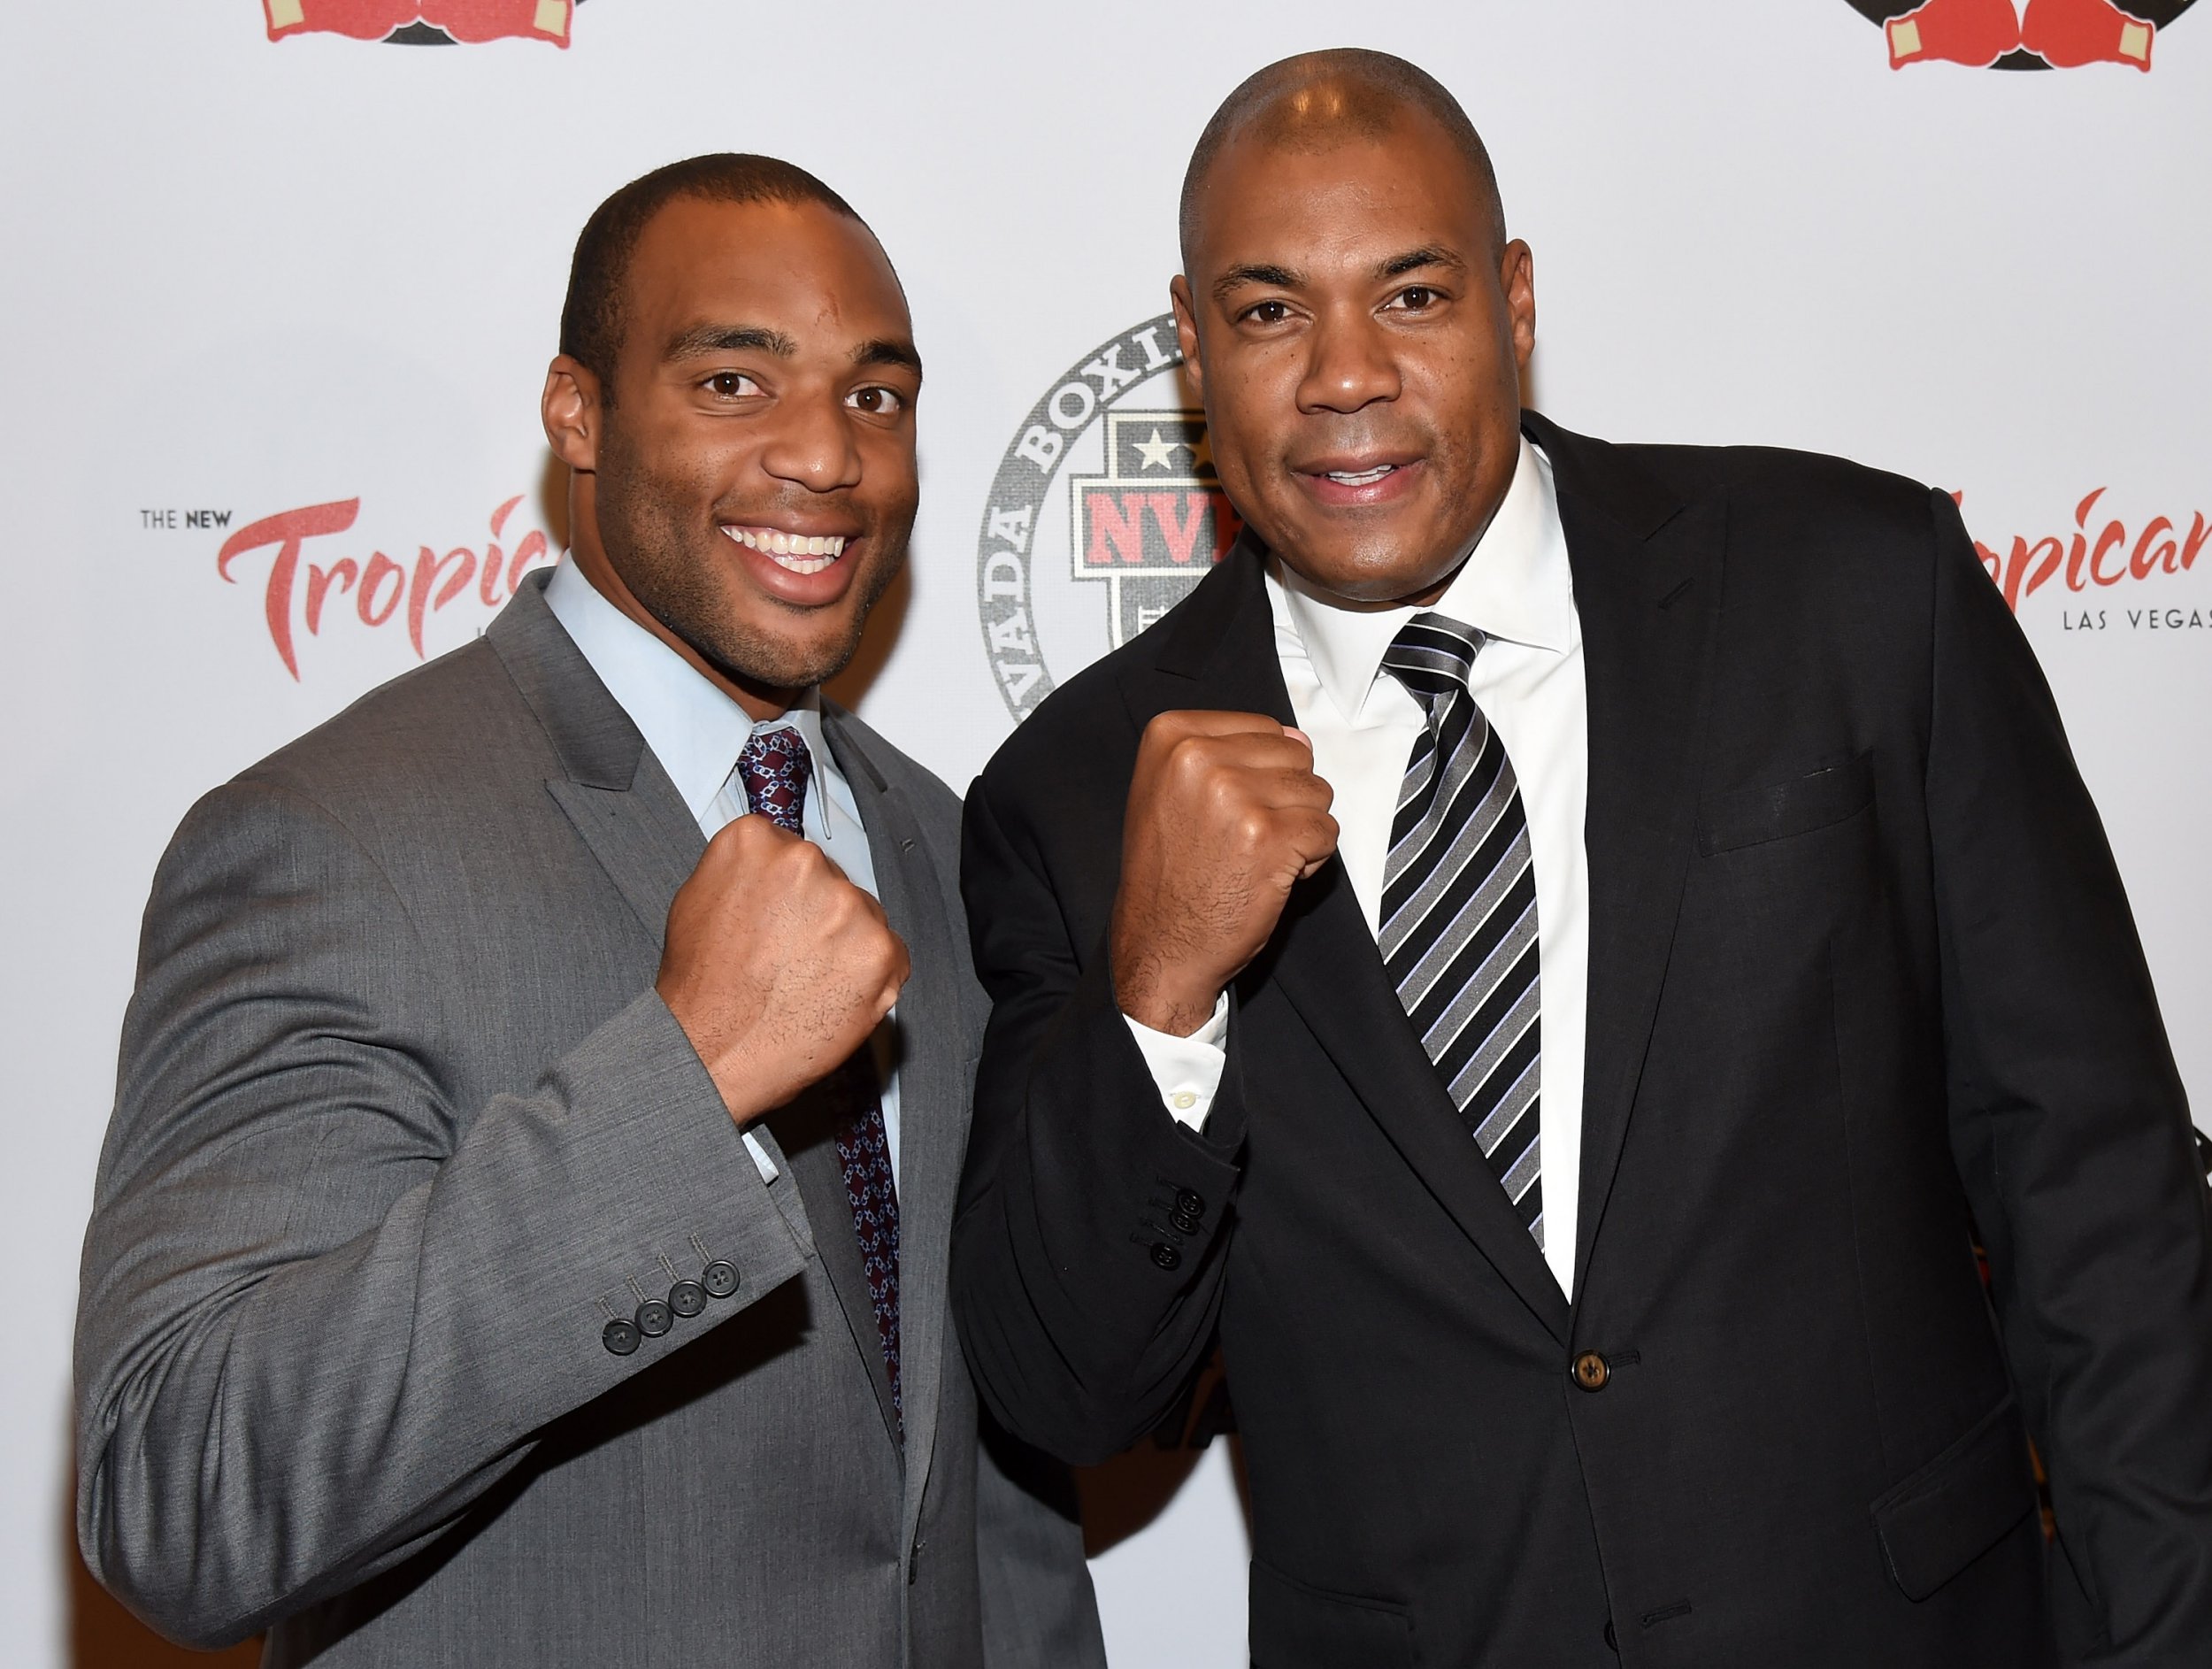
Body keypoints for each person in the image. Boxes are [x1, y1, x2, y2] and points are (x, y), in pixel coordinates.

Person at [950, 50, 2212, 1667]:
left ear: (1515, 301)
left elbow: (2097, 1195)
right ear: (1191, 347)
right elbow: (1064, 1385)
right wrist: (1161, 993)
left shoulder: (1857, 597)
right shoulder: (1070, 791)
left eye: (1411, 294)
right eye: (1270, 314)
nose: (1346, 375)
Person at [75, 153, 1104, 1667]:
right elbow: (183, 1488)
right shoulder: (323, 838)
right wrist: (683, 1092)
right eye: (736, 382)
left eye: (876, 396)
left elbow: (984, 1492)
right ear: (579, 411)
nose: (826, 453)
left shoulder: (944, 843)